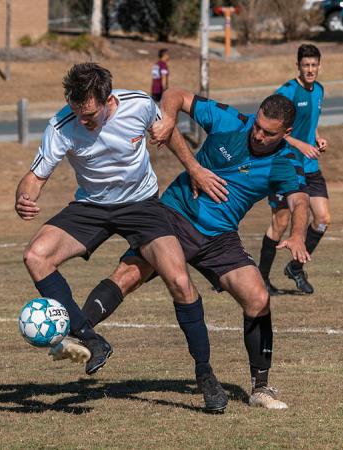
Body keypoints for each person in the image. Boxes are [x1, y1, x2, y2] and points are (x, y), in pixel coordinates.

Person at [76, 87, 311, 412]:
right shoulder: (231, 122)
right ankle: (76, 330)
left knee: (258, 298)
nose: (257, 135)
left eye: (268, 133)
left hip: (219, 236)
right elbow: (177, 94)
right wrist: (169, 117)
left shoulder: (285, 161)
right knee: (128, 274)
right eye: (257, 125)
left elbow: (299, 201)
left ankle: (260, 388)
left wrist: (298, 234)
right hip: (174, 215)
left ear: (286, 133)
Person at [15, 63, 226, 378]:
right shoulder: (62, 125)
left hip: (141, 205)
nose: (82, 121)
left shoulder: (138, 105)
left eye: (89, 114)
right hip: (92, 206)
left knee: (180, 281)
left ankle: (205, 373)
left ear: (107, 99)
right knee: (36, 256)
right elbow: (35, 177)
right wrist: (24, 197)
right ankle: (91, 339)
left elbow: (169, 134)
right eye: (77, 112)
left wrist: (194, 168)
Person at [258, 43, 331, 296]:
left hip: (310, 165)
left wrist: (317, 138)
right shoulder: (287, 91)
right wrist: (300, 144)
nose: (310, 70)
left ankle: (296, 267)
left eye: (314, 65)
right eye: (305, 65)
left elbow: (311, 123)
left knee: (322, 219)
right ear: (297, 66)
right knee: (280, 222)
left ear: (319, 66)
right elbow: (270, 129)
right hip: (287, 165)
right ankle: (261, 279)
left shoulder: (319, 90)